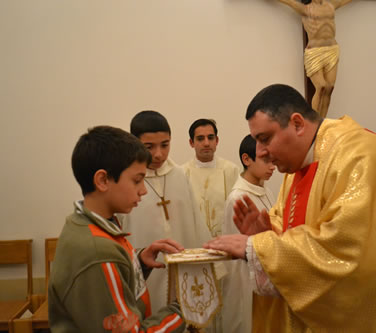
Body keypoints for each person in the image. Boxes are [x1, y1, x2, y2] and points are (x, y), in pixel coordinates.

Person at [205, 84, 376, 332]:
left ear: (297, 124)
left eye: (265, 138)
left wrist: (259, 249)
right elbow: (297, 227)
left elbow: (351, 252)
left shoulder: (361, 158)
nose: (262, 151)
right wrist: (267, 232)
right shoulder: (297, 169)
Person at [48, 125, 186, 332]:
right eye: (137, 180)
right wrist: (182, 310)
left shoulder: (86, 222)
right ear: (103, 180)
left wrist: (139, 262)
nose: (143, 191)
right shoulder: (97, 252)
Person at [118, 111, 212, 314]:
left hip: (184, 275)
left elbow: (196, 222)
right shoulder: (126, 180)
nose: (159, 154)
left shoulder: (179, 175)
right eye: (149, 147)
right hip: (146, 275)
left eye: (165, 144)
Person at [221, 134, 275, 333]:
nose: (273, 166)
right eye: (266, 160)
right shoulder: (238, 197)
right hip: (245, 277)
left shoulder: (265, 190)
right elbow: (242, 248)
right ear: (247, 159)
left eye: (273, 159)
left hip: (265, 269)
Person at [278, 0, 354, 118]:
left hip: (332, 50)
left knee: (329, 88)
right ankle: (314, 120)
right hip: (315, 52)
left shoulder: (331, 5)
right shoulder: (305, 9)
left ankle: (322, 121)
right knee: (321, 86)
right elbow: (287, 1)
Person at [182, 119, 240, 237]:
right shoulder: (182, 173)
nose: (206, 143)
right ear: (191, 143)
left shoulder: (231, 170)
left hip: (225, 241)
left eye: (210, 137)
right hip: (194, 242)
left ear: (217, 140)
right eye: (200, 138)